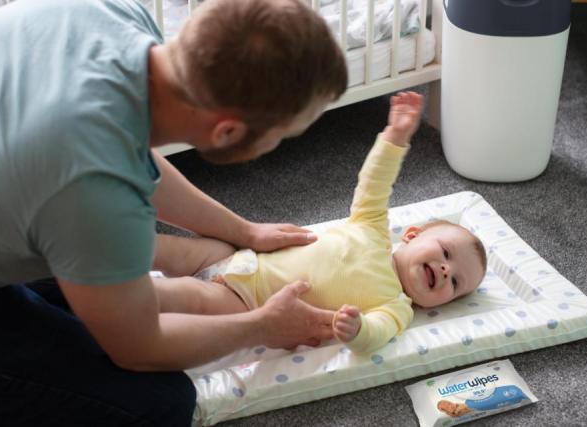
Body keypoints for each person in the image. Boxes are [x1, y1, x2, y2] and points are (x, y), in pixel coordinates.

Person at [0, 0, 348, 424]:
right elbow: (139, 348)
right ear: (227, 131)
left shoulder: (108, 15)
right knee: (157, 405)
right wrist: (261, 326)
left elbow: (126, 149)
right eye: (280, 137)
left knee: (81, 283)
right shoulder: (90, 185)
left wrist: (243, 230)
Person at [151, 92, 488, 354]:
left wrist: (357, 330)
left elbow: (377, 335)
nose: (446, 271)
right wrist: (395, 137)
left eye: (455, 283)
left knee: (187, 297)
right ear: (412, 235)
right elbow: (374, 183)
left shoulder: (396, 307)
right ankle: (110, 249)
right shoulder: (371, 228)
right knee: (168, 249)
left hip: (246, 302)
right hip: (240, 256)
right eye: (446, 253)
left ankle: (121, 300)